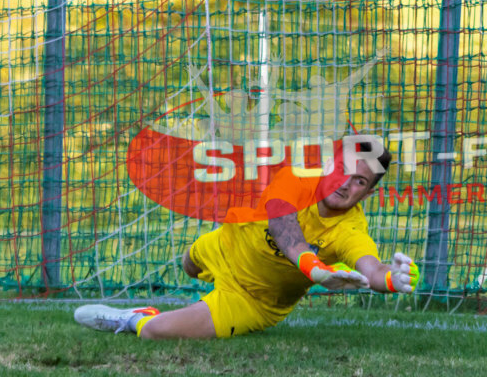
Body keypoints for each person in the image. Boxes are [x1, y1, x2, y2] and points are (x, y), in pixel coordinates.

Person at [74, 136, 418, 339]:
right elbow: (285, 231)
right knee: (188, 264)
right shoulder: (294, 178)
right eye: (343, 170)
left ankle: (132, 317)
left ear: (369, 193)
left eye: (360, 181)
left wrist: (391, 277)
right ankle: (194, 273)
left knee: (155, 333)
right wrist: (316, 270)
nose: (346, 183)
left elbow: (369, 266)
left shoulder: (351, 230)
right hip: (225, 245)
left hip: (254, 300)